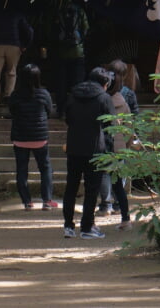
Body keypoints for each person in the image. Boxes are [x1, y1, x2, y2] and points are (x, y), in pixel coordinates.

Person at [61, 66, 112, 239]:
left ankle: (68, 225)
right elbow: (110, 126)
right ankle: (87, 227)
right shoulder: (104, 98)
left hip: (74, 147)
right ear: (105, 83)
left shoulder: (72, 96)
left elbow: (67, 118)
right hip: (95, 148)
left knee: (71, 187)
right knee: (92, 190)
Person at [8, 64, 59, 211]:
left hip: (20, 137)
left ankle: (27, 202)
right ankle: (47, 200)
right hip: (39, 138)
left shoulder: (15, 95)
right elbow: (49, 111)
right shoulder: (44, 94)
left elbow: (12, 111)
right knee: (45, 168)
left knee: (22, 170)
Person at [97, 59, 139, 217]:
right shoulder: (128, 94)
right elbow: (133, 116)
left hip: (104, 139)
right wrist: (133, 138)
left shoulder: (102, 94)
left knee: (105, 172)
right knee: (120, 171)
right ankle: (117, 203)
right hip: (122, 138)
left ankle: (105, 203)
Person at [0, 2, 33, 118]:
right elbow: (30, 31)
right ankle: (9, 97)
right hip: (14, 46)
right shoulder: (17, 14)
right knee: (11, 73)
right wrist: (25, 45)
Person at [44, 0, 89, 118]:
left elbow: (48, 29)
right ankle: (77, 109)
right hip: (77, 52)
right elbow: (86, 28)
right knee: (77, 82)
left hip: (60, 52)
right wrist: (80, 42)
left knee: (61, 82)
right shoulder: (79, 10)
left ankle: (61, 110)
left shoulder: (56, 10)